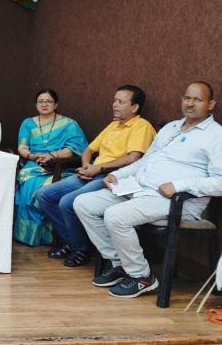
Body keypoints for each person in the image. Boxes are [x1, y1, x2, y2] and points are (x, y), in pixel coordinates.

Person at [75, 81, 222, 298]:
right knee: (84, 203)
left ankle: (141, 276)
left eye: (198, 99)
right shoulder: (171, 127)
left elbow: (220, 181)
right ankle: (120, 263)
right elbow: (144, 162)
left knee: (115, 216)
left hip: (175, 202)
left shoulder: (216, 135)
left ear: (211, 104)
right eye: (187, 98)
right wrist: (118, 175)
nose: (190, 103)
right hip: (140, 191)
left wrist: (178, 186)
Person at [37, 85, 156, 267]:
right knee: (44, 194)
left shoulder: (142, 126)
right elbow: (88, 149)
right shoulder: (113, 125)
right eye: (114, 101)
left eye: (121, 102)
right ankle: (71, 241)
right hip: (93, 172)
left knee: (67, 202)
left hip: (112, 177)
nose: (114, 105)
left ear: (134, 107)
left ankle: (80, 249)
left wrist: (98, 168)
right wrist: (87, 166)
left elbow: (133, 158)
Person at [14, 88, 88, 246]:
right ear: (36, 104)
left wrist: (52, 156)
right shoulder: (28, 123)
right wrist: (33, 156)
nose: (44, 104)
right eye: (40, 101)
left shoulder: (69, 124)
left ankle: (50, 236)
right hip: (33, 165)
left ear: (56, 104)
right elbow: (22, 147)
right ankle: (29, 235)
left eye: (49, 101)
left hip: (61, 166)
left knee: (49, 188)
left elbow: (74, 148)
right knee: (30, 184)